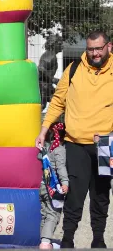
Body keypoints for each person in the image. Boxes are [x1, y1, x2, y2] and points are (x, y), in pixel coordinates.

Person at [35, 30, 113, 249]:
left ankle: (98, 239)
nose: (95, 53)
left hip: (105, 145)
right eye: (91, 49)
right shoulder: (74, 69)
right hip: (75, 142)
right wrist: (44, 129)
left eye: (99, 48)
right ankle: (68, 239)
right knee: (74, 195)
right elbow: (58, 101)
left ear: (109, 46)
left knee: (100, 194)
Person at [38, 122, 69, 249]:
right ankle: (45, 242)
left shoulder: (48, 147)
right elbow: (60, 167)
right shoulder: (60, 149)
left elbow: (39, 156)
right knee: (53, 214)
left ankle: (44, 241)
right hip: (53, 188)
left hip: (43, 185)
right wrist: (65, 183)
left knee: (45, 214)